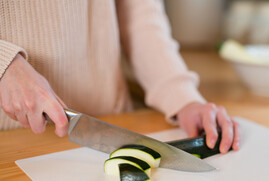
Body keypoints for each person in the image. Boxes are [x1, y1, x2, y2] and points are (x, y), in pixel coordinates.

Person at [0, 0, 240, 153]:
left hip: (112, 118)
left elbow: (141, 15)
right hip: (12, 138)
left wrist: (183, 99)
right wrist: (5, 65)